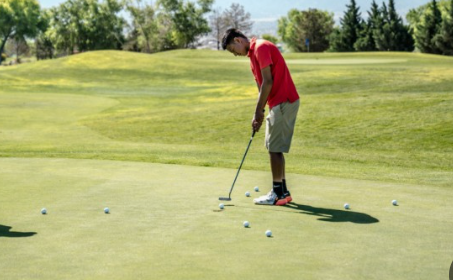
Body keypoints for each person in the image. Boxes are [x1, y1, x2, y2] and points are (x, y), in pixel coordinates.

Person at [222, 28, 300, 206]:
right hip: (277, 103)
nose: (235, 55)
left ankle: (277, 193)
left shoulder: (261, 48)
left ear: (238, 40)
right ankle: (283, 192)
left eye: (234, 50)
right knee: (275, 147)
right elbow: (261, 86)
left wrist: (258, 112)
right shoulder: (252, 56)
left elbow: (268, 81)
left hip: (283, 101)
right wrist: (260, 112)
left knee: (274, 148)